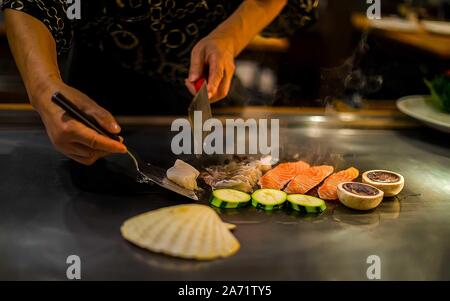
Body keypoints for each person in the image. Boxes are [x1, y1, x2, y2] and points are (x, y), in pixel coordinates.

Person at [2, 0, 317, 165]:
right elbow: (29, 2)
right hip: (99, 87)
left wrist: (228, 37)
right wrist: (44, 88)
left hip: (207, 83)